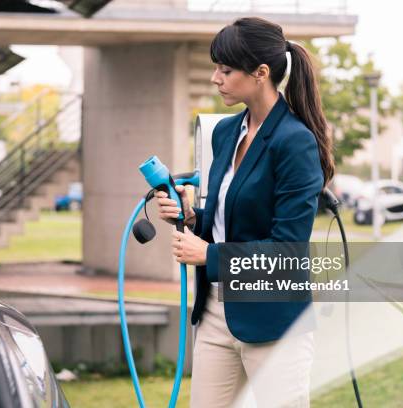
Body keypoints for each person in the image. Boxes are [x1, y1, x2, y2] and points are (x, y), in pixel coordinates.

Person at [155, 17, 334, 408]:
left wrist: (208, 255)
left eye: (226, 69)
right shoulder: (225, 132)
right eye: (215, 67)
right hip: (215, 312)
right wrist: (189, 219)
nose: (216, 78)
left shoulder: (295, 142)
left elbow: (287, 252)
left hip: (273, 319)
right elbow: (225, 221)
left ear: (261, 73)